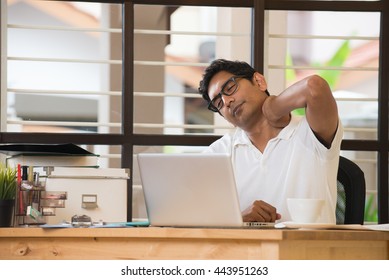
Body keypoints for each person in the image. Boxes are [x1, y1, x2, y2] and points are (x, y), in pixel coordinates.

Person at [198, 59, 343, 224]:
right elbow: (190, 213)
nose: (226, 102)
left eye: (230, 88)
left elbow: (315, 87)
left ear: (259, 81)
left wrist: (272, 109)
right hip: (249, 249)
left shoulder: (310, 131)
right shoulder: (218, 153)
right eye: (218, 103)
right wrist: (239, 218)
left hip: (310, 248)